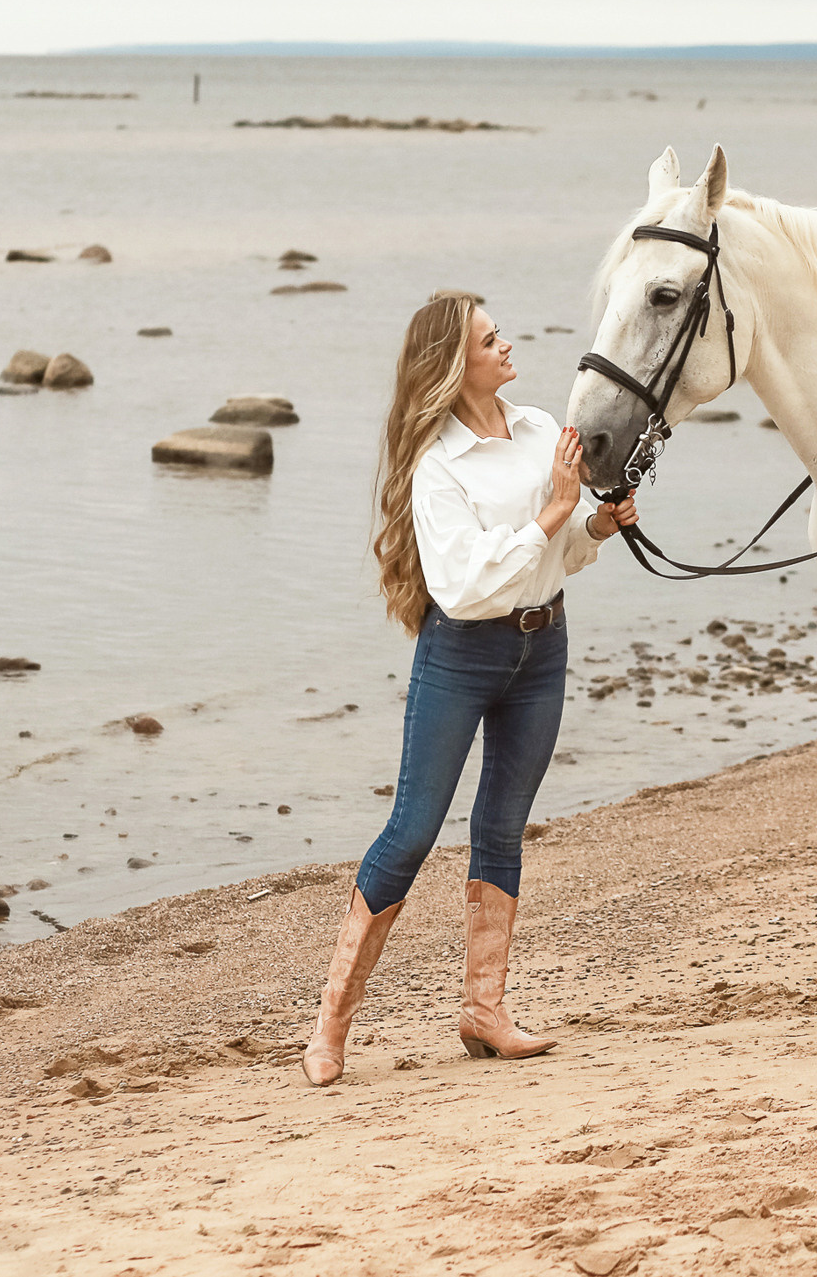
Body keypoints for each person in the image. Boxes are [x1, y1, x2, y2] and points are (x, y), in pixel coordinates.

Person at [299, 289, 638, 1087]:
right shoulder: (436, 466)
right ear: (456, 366)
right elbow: (462, 587)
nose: (507, 346)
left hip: (541, 650)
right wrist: (557, 513)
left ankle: (485, 1010)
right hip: (461, 656)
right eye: (491, 340)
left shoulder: (533, 431)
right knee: (412, 832)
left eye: (500, 333)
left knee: (501, 828)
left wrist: (595, 525)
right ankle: (329, 1026)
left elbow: (551, 560)